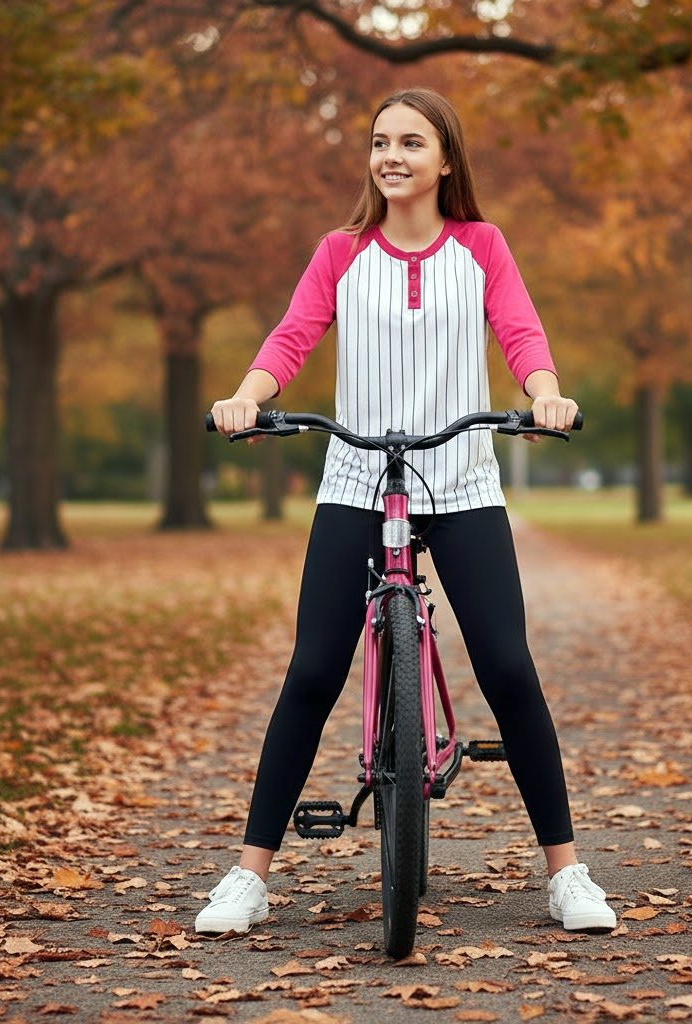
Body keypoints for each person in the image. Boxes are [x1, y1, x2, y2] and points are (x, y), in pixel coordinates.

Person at [200, 87, 616, 936]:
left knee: (507, 667)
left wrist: (545, 396)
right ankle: (248, 877)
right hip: (357, 477)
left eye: (411, 143)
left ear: (446, 160)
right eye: (380, 141)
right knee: (313, 670)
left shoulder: (482, 246)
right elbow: (292, 337)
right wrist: (246, 399)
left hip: (461, 477)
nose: (392, 156)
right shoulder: (342, 250)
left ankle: (567, 873)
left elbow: (522, 334)